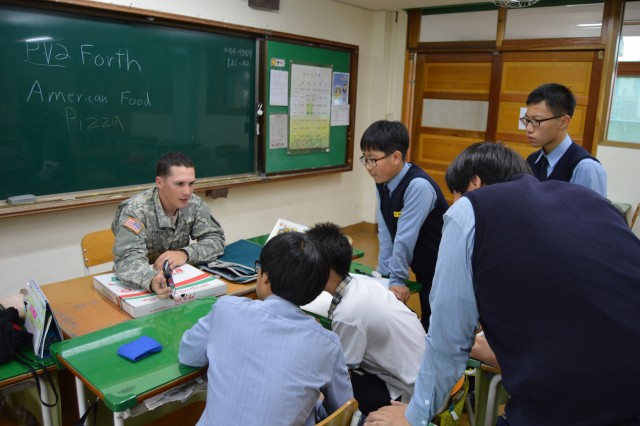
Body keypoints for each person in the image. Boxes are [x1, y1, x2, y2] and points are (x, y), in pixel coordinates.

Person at [366, 142, 640, 426]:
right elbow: (575, 308)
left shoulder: (470, 211)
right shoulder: (586, 199)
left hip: (573, 406)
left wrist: (415, 416)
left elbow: (447, 340)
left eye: (456, 196)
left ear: (475, 184)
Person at [179, 231, 353, 426]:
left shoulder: (226, 309)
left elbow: (188, 354)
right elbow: (342, 409)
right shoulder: (327, 343)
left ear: (265, 277)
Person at [307, 222, 426, 417]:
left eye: (306, 263)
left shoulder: (348, 313)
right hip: (420, 375)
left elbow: (339, 374)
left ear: (324, 267)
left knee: (325, 399)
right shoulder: (361, 283)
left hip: (409, 394)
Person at [360, 120, 448, 331]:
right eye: (365, 159)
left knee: (435, 321)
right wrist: (383, 275)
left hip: (442, 265)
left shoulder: (418, 186)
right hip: (421, 260)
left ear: (396, 157)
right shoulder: (382, 182)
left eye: (373, 160)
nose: (368, 168)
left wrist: (398, 278)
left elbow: (404, 237)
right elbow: (386, 232)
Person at [111, 152, 225, 297]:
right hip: (139, 285)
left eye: (191, 183)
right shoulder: (136, 210)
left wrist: (185, 254)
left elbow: (216, 239)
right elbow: (127, 258)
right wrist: (152, 279)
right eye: (179, 184)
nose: (187, 191)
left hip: (179, 280)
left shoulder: (194, 204)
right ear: (160, 182)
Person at [523, 82, 607, 197]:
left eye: (536, 121)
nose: (528, 128)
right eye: (527, 120)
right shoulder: (532, 160)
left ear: (563, 122)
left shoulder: (585, 167)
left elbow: (594, 213)